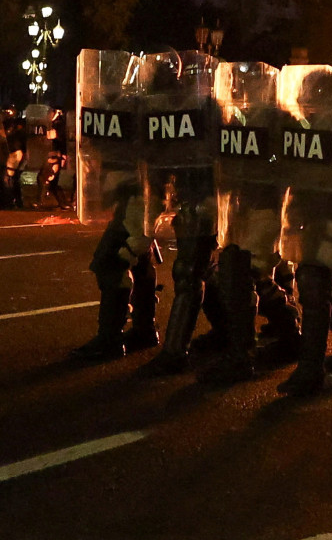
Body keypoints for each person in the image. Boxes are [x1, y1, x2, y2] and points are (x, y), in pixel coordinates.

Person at [276, 65, 332, 397]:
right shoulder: (308, 128)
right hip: (315, 215)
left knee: (313, 283)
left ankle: (310, 371)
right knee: (316, 283)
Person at [201, 61, 297, 384]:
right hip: (242, 207)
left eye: (255, 85)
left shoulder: (281, 119)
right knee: (249, 277)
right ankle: (290, 333)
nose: (248, 90)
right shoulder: (238, 118)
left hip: (268, 209)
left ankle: (241, 355)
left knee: (244, 275)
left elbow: (284, 165)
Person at [70, 50, 160, 360]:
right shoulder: (148, 109)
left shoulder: (138, 110)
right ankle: (145, 329)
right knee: (141, 262)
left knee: (110, 262)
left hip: (138, 196)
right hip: (137, 197)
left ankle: (110, 339)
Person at [137, 51, 221, 377]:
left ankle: (175, 352)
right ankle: (228, 333)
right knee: (203, 271)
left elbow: (216, 154)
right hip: (188, 198)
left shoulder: (206, 108)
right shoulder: (169, 110)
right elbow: (160, 158)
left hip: (205, 197)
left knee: (189, 273)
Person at [39, 108, 71, 209]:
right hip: (53, 154)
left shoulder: (58, 124)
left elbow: (58, 140)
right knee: (48, 180)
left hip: (55, 155)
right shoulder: (52, 124)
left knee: (49, 179)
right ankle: (61, 202)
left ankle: (60, 202)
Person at [3, 106, 28, 209]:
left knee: (9, 177)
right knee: (13, 177)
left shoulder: (10, 125)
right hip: (15, 152)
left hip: (14, 152)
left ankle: (11, 201)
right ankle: (16, 201)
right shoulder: (16, 125)